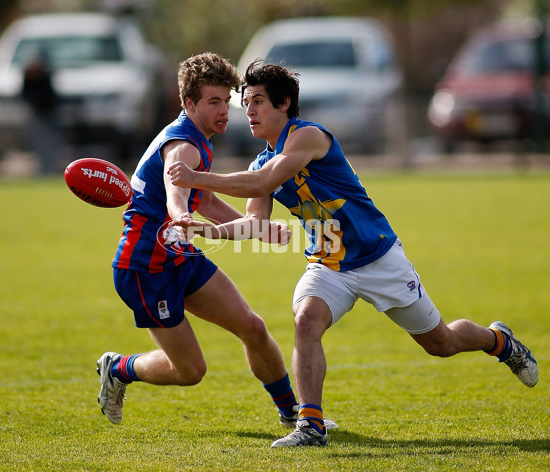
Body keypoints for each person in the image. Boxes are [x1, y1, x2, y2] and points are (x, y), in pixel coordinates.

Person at [168, 60, 539, 447]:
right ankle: (311, 424)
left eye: (259, 101)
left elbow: (265, 181)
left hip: (378, 259)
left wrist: (197, 178)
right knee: (306, 320)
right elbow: (255, 224)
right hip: (328, 265)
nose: (251, 111)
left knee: (441, 343)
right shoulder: (259, 162)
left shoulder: (308, 136)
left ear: (284, 103)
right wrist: (209, 231)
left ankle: (499, 341)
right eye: (248, 103)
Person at [97, 53, 337, 434]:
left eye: (227, 100)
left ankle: (293, 411)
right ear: (188, 104)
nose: (226, 110)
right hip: (145, 269)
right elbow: (178, 186)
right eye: (214, 102)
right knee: (190, 371)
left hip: (180, 257)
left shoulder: (198, 138)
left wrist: (255, 228)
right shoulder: (184, 145)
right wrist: (178, 213)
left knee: (253, 328)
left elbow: (204, 199)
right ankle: (118, 368)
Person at [21, 51, 62, 175]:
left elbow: (50, 97)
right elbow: (25, 95)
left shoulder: (45, 77)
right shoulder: (28, 78)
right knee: (37, 144)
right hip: (35, 116)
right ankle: (41, 170)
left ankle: (49, 169)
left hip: (48, 115)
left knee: (49, 144)